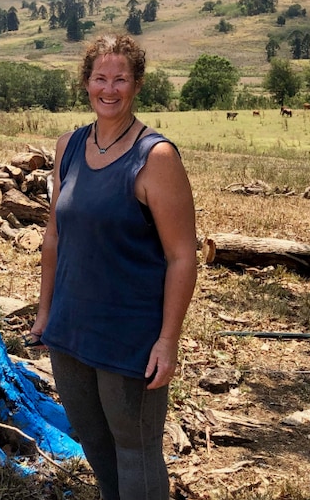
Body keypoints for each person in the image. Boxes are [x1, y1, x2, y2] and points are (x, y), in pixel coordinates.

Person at [27, 34, 197, 500]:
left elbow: (183, 256)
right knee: (95, 442)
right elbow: (55, 236)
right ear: (86, 83)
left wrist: (167, 340)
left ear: (136, 84)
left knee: (135, 449)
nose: (109, 88)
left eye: (120, 78)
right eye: (100, 77)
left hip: (130, 336)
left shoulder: (156, 157)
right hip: (71, 328)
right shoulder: (69, 147)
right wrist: (45, 313)